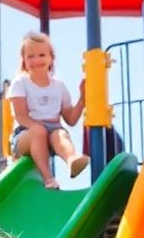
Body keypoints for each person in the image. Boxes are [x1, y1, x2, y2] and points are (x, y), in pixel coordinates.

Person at [7, 31, 88, 189]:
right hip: (25, 134)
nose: (36, 60)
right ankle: (48, 179)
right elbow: (21, 116)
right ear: (23, 61)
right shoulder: (20, 83)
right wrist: (39, 127)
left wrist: (83, 98)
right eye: (30, 56)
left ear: (51, 58)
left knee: (61, 134)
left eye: (42, 55)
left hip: (51, 133)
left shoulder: (59, 86)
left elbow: (71, 119)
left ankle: (71, 160)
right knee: (39, 131)